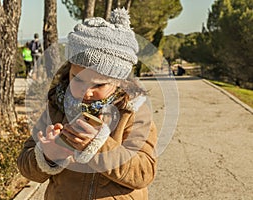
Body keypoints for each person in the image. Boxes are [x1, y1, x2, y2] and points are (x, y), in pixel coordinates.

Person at [17, 8, 157, 200]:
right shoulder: (57, 106)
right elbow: (25, 165)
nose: (87, 91)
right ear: (68, 71)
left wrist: (99, 147)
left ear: (120, 81)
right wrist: (47, 155)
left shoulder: (133, 111)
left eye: (99, 84)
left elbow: (144, 172)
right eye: (78, 79)